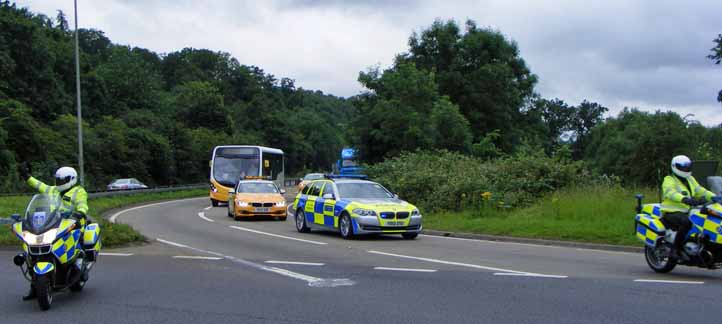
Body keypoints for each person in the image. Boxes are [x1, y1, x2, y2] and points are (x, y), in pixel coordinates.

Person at [20, 166, 89, 300]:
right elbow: (39, 185)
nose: (59, 183)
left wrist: (79, 213)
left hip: (72, 224)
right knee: (34, 253)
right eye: (58, 180)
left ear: (71, 179)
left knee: (75, 247)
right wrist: (27, 177)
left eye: (62, 180)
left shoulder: (78, 191)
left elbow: (82, 205)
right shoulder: (53, 190)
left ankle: (79, 269)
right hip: (52, 224)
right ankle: (34, 287)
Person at [661, 155, 718, 259]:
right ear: (675, 167)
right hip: (672, 211)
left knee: (704, 221)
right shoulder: (669, 179)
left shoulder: (690, 179)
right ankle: (675, 249)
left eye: (688, 166)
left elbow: (700, 190)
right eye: (683, 166)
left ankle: (701, 247)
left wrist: (715, 197)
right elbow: (670, 193)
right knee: (687, 222)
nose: (686, 169)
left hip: (688, 210)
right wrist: (685, 199)